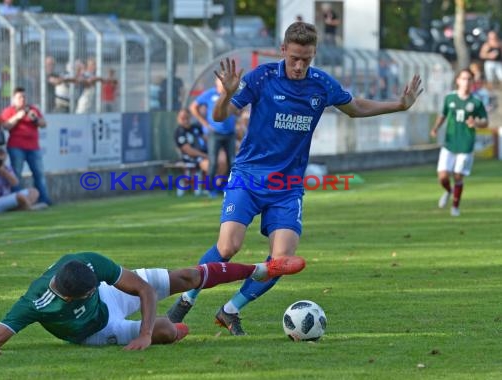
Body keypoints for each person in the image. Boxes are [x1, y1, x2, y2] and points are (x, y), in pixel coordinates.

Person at [167, 21, 423, 335]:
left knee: (282, 259)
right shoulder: (261, 78)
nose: (300, 65)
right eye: (295, 58)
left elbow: (354, 107)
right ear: (283, 50)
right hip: (248, 177)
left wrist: (399, 105)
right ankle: (186, 299)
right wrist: (226, 96)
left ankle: (230, 311)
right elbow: (220, 117)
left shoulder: (321, 84)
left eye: (307, 59)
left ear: (314, 55)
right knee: (228, 247)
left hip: (287, 187)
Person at [0, 251, 305, 354]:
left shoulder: (86, 264)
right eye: (87, 293)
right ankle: (176, 330)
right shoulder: (35, 303)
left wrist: (141, 334)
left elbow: (143, 289)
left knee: (185, 277)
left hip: (109, 297)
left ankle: (260, 269)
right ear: (69, 297)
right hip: (97, 330)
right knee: (162, 328)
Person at [430, 69, 488, 217]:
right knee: (442, 177)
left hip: (466, 144)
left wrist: (476, 123)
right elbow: (443, 114)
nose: (466, 82)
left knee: (457, 176)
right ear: (457, 80)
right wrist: (436, 128)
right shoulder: (450, 98)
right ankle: (449, 191)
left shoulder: (476, 102)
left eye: (469, 79)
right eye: (463, 79)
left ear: (472, 82)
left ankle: (455, 206)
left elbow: (485, 121)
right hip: (450, 143)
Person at [0, 87, 52, 205]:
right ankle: (17, 200)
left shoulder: (33, 109)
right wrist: (17, 117)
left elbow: (43, 124)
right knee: (16, 175)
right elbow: (6, 125)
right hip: (16, 147)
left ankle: (44, 199)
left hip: (34, 147)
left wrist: (35, 119)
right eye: (19, 97)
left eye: (24, 97)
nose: (22, 99)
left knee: (39, 174)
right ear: (14, 99)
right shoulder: (9, 111)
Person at [189, 77, 237, 197]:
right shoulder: (210, 94)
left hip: (230, 133)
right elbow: (193, 107)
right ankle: (210, 189)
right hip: (215, 133)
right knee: (213, 161)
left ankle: (226, 187)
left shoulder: (232, 94)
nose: (223, 83)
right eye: (221, 81)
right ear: (217, 82)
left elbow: (239, 110)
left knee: (231, 161)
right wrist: (205, 124)